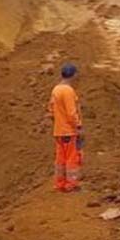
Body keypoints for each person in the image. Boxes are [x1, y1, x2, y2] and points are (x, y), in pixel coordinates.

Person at [47, 63, 83, 192]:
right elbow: (71, 113)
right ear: (73, 75)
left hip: (58, 131)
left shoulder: (56, 89)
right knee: (71, 158)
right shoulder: (68, 91)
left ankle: (60, 183)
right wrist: (78, 126)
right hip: (69, 131)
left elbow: (51, 110)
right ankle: (71, 184)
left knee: (60, 158)